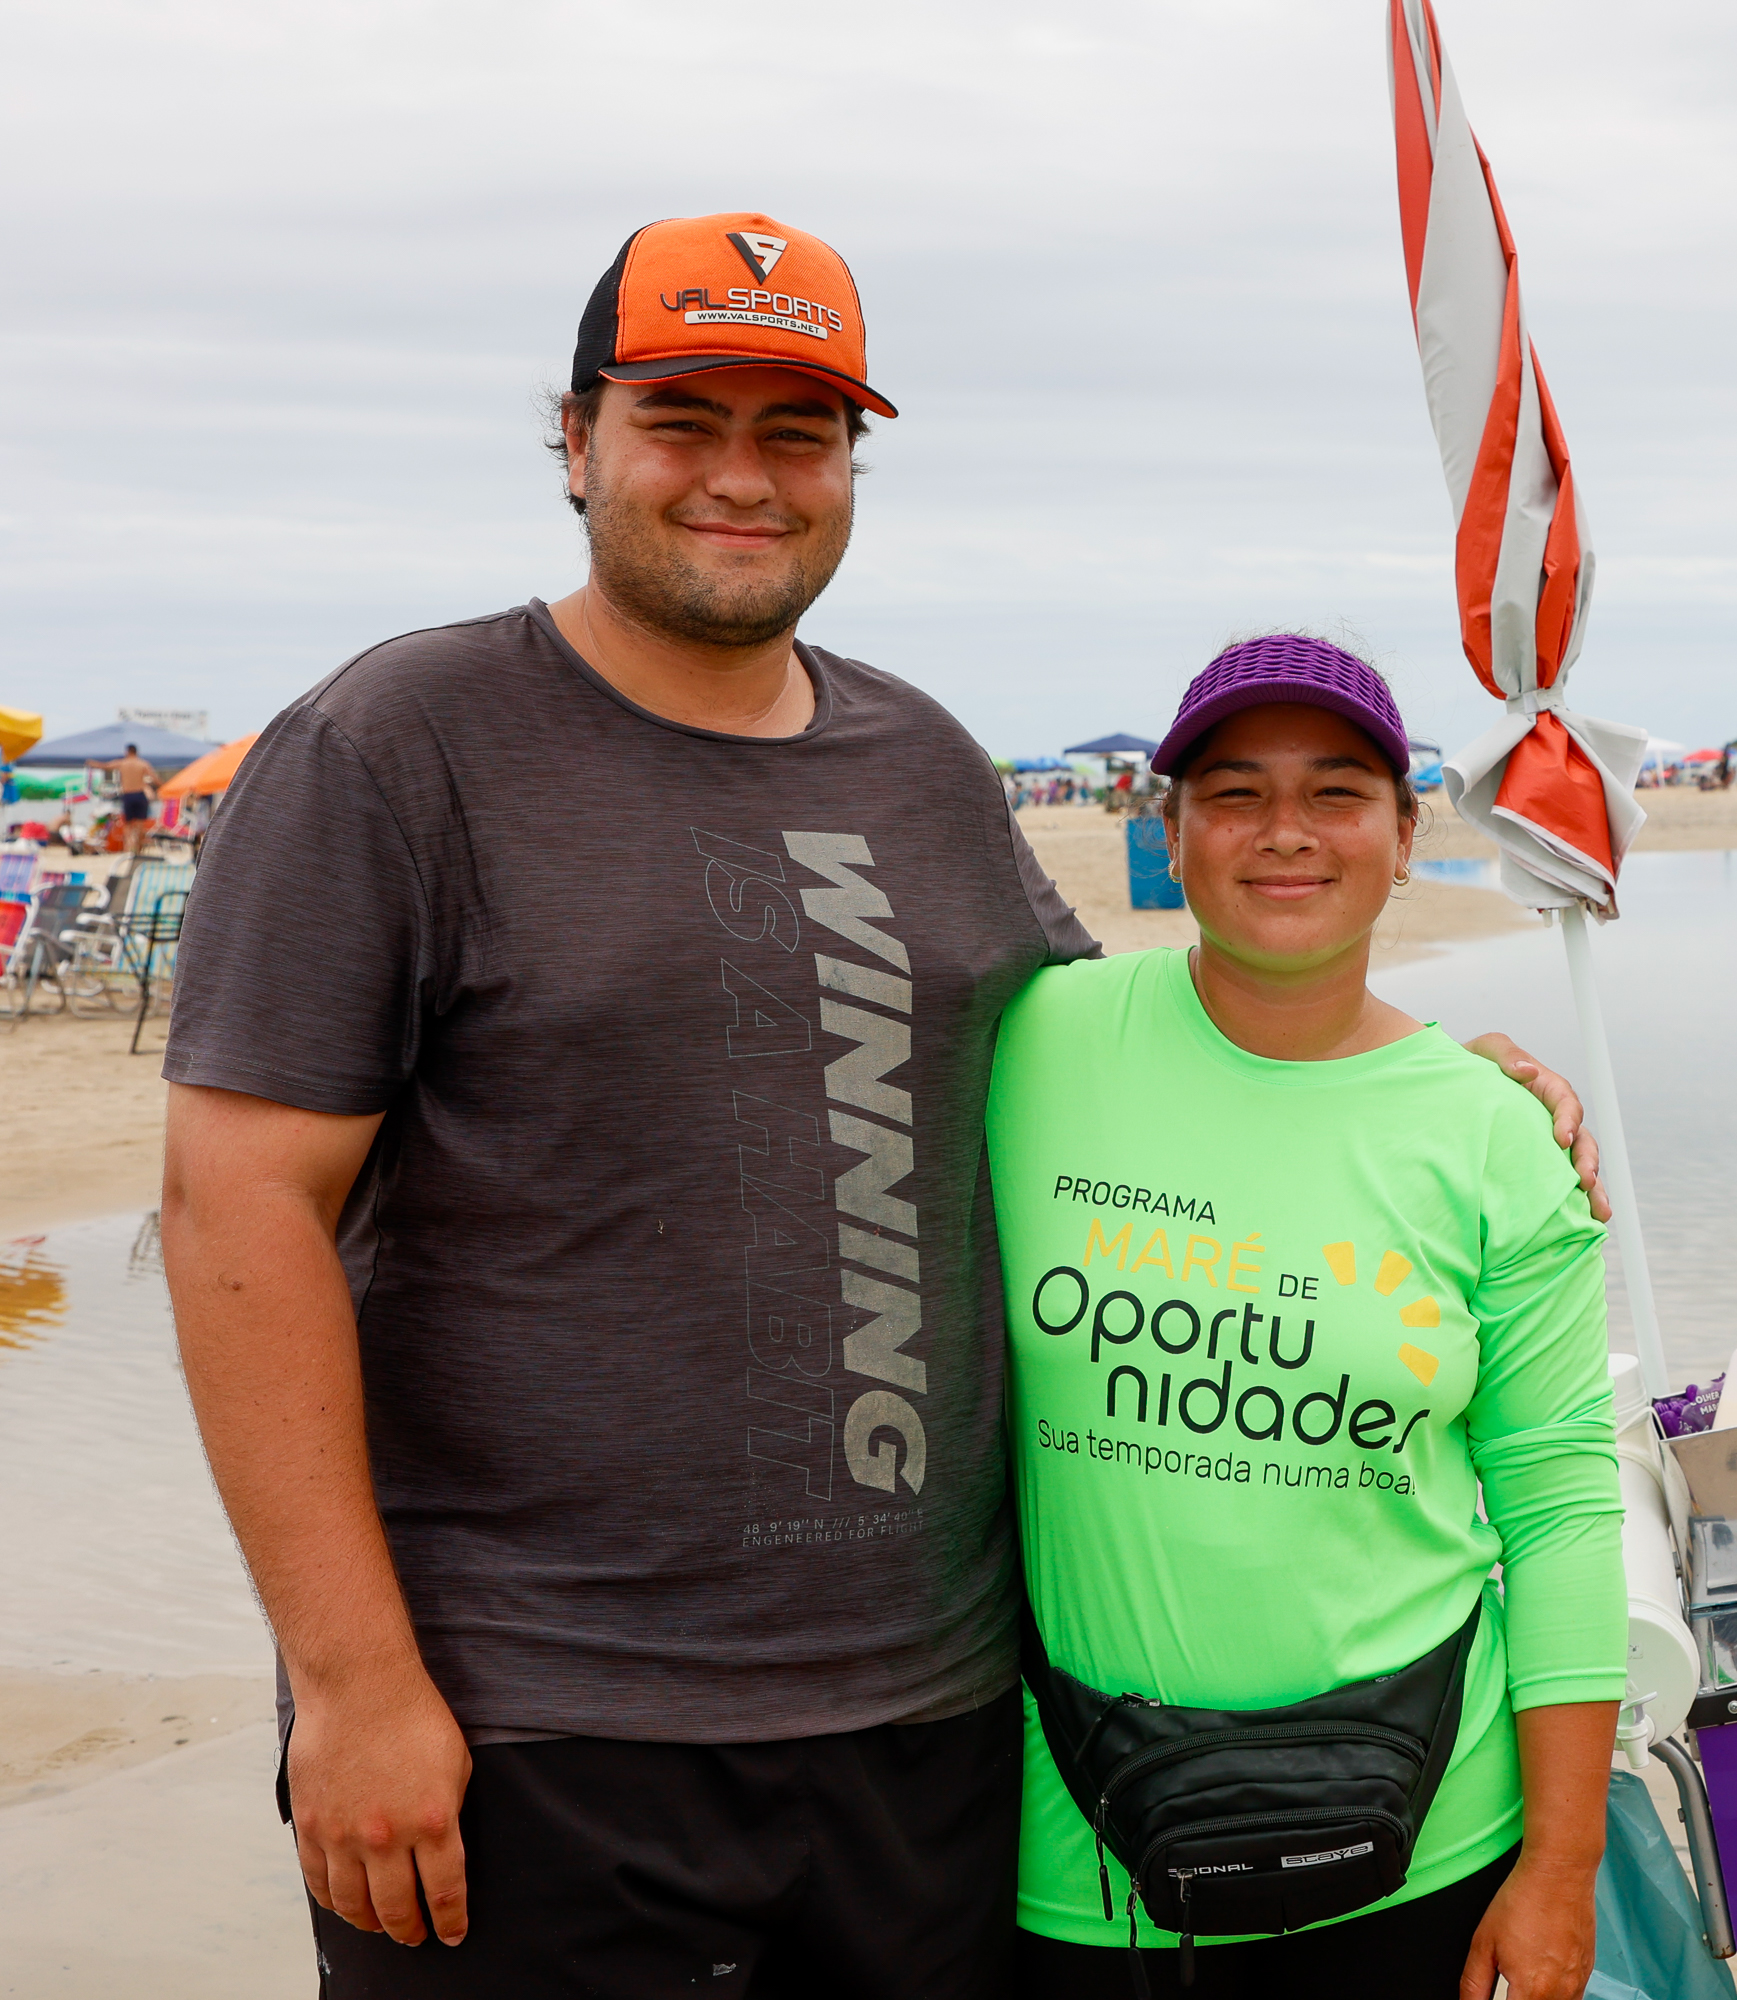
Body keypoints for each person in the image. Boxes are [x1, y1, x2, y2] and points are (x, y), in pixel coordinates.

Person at [159, 212, 1597, 1997]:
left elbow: (1151, 1029)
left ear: (853, 465)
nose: (743, 480)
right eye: (685, 420)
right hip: (543, 1720)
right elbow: (236, 1210)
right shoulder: (400, 744)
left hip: (930, 1730)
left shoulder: (916, 762)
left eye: (800, 433)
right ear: (577, 438)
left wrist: (1437, 1066)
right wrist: (356, 1685)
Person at [992, 636, 1623, 2000]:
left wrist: (1563, 1871)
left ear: (1407, 836)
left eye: (1339, 793)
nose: (1286, 833)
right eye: (1234, 793)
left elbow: (1562, 1505)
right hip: (1082, 1862)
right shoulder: (1031, 1042)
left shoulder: (1491, 1135)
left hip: (1434, 1846)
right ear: (1168, 833)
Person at [89, 741, 158, 856]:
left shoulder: (122, 763)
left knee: (128, 825)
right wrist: (163, 786)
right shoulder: (143, 764)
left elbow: (105, 766)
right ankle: (138, 850)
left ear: (127, 752)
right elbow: (154, 778)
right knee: (140, 825)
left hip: (128, 795)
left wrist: (93, 763)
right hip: (140, 795)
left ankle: (128, 849)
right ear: (136, 752)